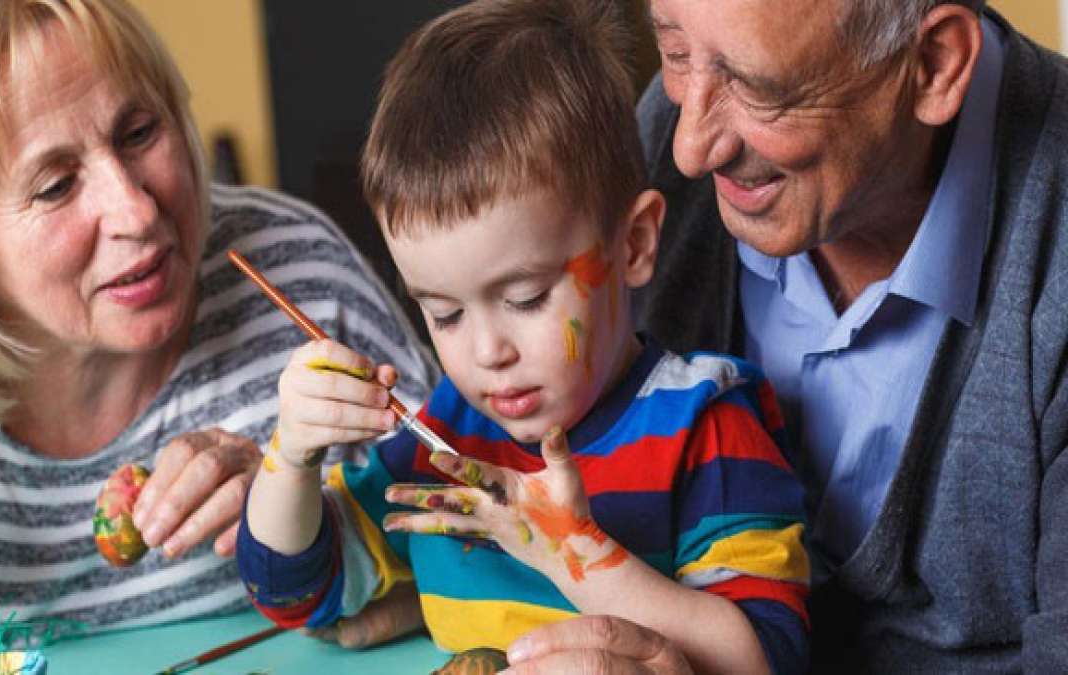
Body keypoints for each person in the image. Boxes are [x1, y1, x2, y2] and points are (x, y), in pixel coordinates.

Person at [236, 1, 810, 673]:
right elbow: (301, 593)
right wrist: (290, 457)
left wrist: (575, 550)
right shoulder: (447, 437)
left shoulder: (705, 429)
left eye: (525, 298)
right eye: (444, 314)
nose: (486, 353)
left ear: (634, 244)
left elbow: (766, 658)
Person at [509, 0, 1068, 673]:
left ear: (933, 66)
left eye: (759, 90)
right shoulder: (675, 129)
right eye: (675, 52)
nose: (688, 148)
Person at [0, 0, 436, 636]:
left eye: (139, 133)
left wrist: (303, 520)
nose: (137, 212)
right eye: (55, 185)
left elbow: (493, 515)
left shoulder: (297, 274)